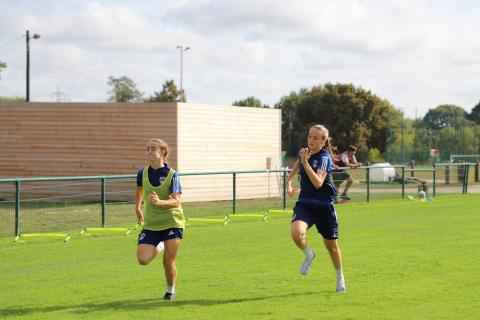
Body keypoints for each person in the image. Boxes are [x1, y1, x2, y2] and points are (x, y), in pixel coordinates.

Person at [286, 124, 346, 293]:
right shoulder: (304, 153)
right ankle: (309, 254)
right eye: (310, 136)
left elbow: (318, 183)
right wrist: (289, 181)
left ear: (323, 141)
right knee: (296, 233)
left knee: (331, 247)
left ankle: (340, 276)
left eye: (316, 138)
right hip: (305, 203)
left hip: (324, 207)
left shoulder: (324, 158)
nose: (311, 140)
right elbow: (299, 162)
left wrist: (306, 163)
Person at [135, 138, 185, 301]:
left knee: (168, 261)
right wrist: (137, 207)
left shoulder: (172, 174)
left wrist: (160, 202)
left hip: (172, 221)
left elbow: (176, 201)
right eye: (147, 148)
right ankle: (160, 245)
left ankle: (170, 291)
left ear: (162, 152)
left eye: (153, 148)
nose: (149, 151)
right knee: (143, 259)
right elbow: (140, 189)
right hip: (152, 223)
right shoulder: (142, 172)